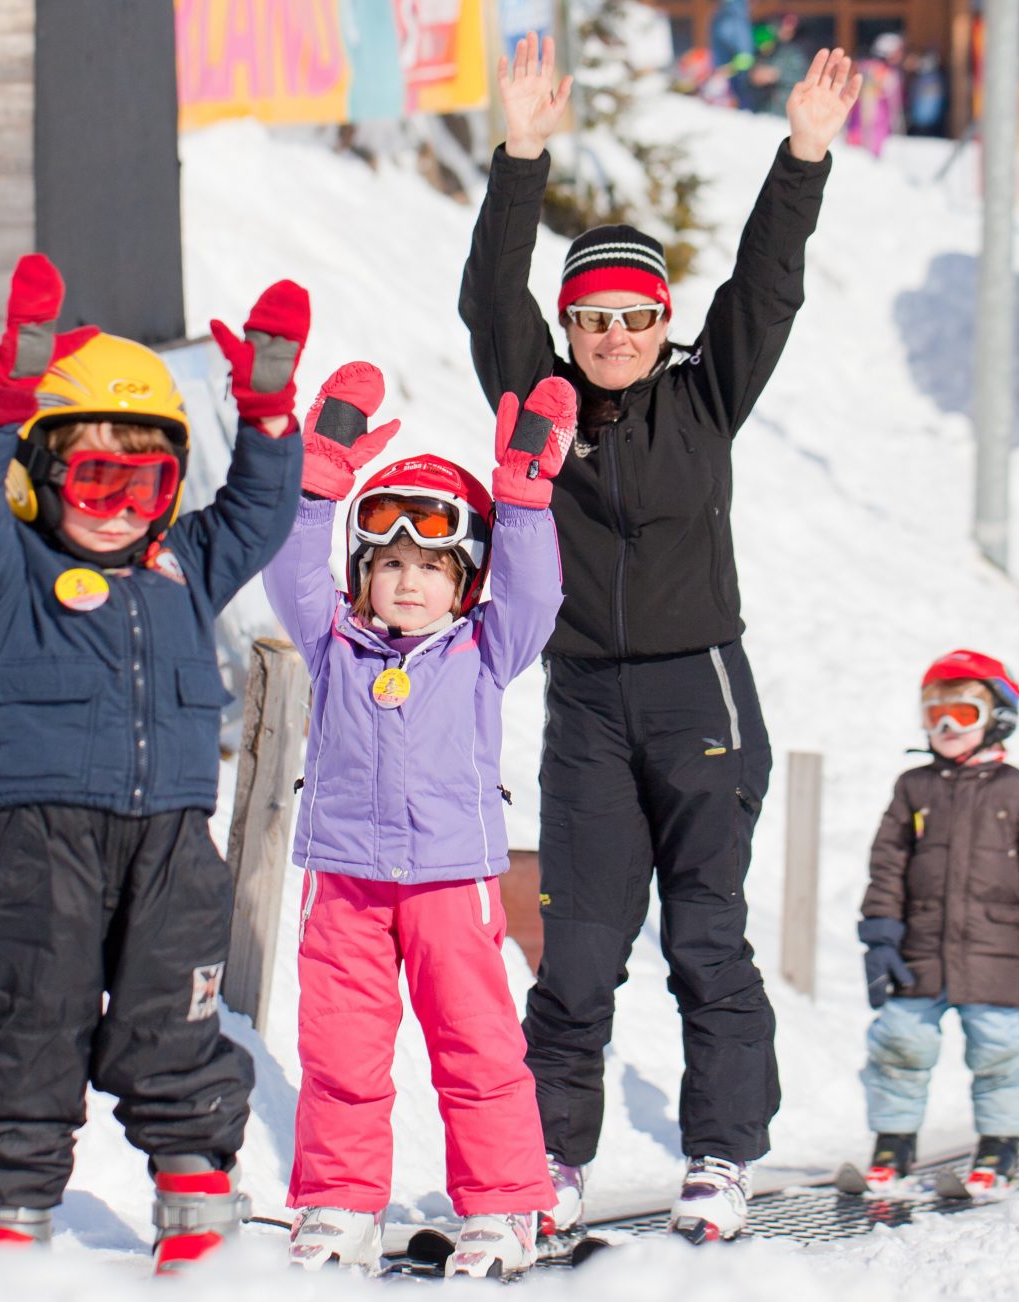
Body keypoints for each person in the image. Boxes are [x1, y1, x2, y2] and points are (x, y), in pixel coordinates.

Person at [460, 33, 861, 1243]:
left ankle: (720, 1158)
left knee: (702, 933)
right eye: (593, 317)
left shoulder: (703, 395)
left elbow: (768, 283)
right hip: (585, 701)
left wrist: (801, 156)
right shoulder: (538, 400)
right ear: (571, 326)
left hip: (701, 698)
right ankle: (547, 1161)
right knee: (577, 949)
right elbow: (489, 294)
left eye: (636, 315)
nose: (616, 334)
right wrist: (521, 156)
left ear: (661, 319)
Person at [0, 255, 308, 1271]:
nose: (121, 505)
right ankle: (7, 1223)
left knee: (175, 1022)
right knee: (38, 1022)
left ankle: (197, 1211)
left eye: (149, 482)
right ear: (37, 475)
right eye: (96, 476)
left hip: (173, 841)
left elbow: (259, 517)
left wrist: (265, 420)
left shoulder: (181, 564)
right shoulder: (8, 576)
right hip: (40, 837)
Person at [261, 367, 577, 1277]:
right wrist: (318, 488)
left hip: (449, 881)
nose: (407, 582)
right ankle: (338, 1206)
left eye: (431, 568)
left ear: (464, 581)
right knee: (342, 1053)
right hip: (346, 884)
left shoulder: (485, 648)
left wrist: (520, 506)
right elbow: (289, 571)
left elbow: (536, 597)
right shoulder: (333, 644)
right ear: (361, 573)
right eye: (389, 562)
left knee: (476, 1047)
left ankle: (506, 1208)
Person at [854, 651, 1019, 1196]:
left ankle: (999, 1148)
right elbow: (887, 864)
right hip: (920, 950)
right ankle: (893, 1144)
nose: (946, 726)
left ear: (998, 717)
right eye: (933, 714)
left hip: (995, 951)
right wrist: (881, 935)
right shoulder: (914, 788)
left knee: (1000, 1052)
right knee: (899, 1045)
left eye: (961, 711)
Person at [845, 32, 906, 157]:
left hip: (858, 121)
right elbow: (894, 101)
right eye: (898, 51)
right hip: (876, 123)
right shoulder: (887, 72)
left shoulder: (862, 66)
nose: (901, 55)